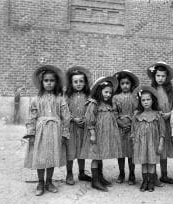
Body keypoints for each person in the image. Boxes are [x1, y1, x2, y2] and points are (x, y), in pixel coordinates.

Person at [23, 65, 70, 196]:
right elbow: (32, 117)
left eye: (52, 81)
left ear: (56, 83)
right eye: (46, 81)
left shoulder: (60, 99)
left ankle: (49, 181)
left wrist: (65, 133)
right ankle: (40, 182)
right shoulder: (36, 100)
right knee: (40, 157)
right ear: (41, 82)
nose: (49, 83)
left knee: (51, 156)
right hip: (40, 132)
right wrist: (31, 133)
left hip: (55, 131)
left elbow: (66, 116)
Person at [80, 76, 121, 192]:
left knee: (101, 155)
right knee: (95, 156)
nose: (108, 95)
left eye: (110, 93)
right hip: (96, 134)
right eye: (106, 92)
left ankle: (100, 177)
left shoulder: (108, 105)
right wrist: (92, 133)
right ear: (100, 91)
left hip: (105, 134)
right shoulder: (94, 104)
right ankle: (95, 180)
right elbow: (89, 119)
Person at [131, 86, 165, 192]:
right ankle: (144, 181)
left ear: (152, 100)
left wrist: (160, 144)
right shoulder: (137, 115)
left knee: (151, 162)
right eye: (143, 100)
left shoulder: (157, 115)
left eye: (148, 99)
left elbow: (162, 131)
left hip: (153, 143)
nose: (146, 102)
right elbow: (133, 130)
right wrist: (134, 143)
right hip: (141, 143)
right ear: (140, 101)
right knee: (144, 163)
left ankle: (151, 182)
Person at [147, 61, 173, 184]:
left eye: (163, 76)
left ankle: (164, 174)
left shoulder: (170, 91)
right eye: (158, 76)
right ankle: (152, 175)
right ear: (154, 76)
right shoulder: (151, 90)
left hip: (167, 122)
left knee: (163, 149)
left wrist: (169, 114)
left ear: (166, 77)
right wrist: (157, 114)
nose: (160, 78)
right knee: (155, 148)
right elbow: (147, 105)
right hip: (155, 122)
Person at [64, 66, 92, 185]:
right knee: (70, 150)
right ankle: (69, 173)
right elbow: (64, 110)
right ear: (71, 83)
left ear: (85, 82)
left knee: (82, 150)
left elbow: (91, 109)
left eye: (81, 81)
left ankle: (81, 172)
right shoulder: (67, 96)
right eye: (75, 82)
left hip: (84, 127)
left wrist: (86, 118)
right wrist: (72, 118)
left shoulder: (88, 96)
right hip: (71, 127)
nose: (78, 84)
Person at [113, 70, 139, 185]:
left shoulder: (135, 97)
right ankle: (121, 173)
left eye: (127, 83)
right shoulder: (115, 98)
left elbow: (137, 112)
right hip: (120, 128)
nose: (125, 86)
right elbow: (114, 113)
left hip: (132, 128)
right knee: (121, 152)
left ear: (131, 84)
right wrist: (121, 123)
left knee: (131, 152)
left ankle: (132, 174)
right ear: (119, 84)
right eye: (122, 83)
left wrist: (131, 124)